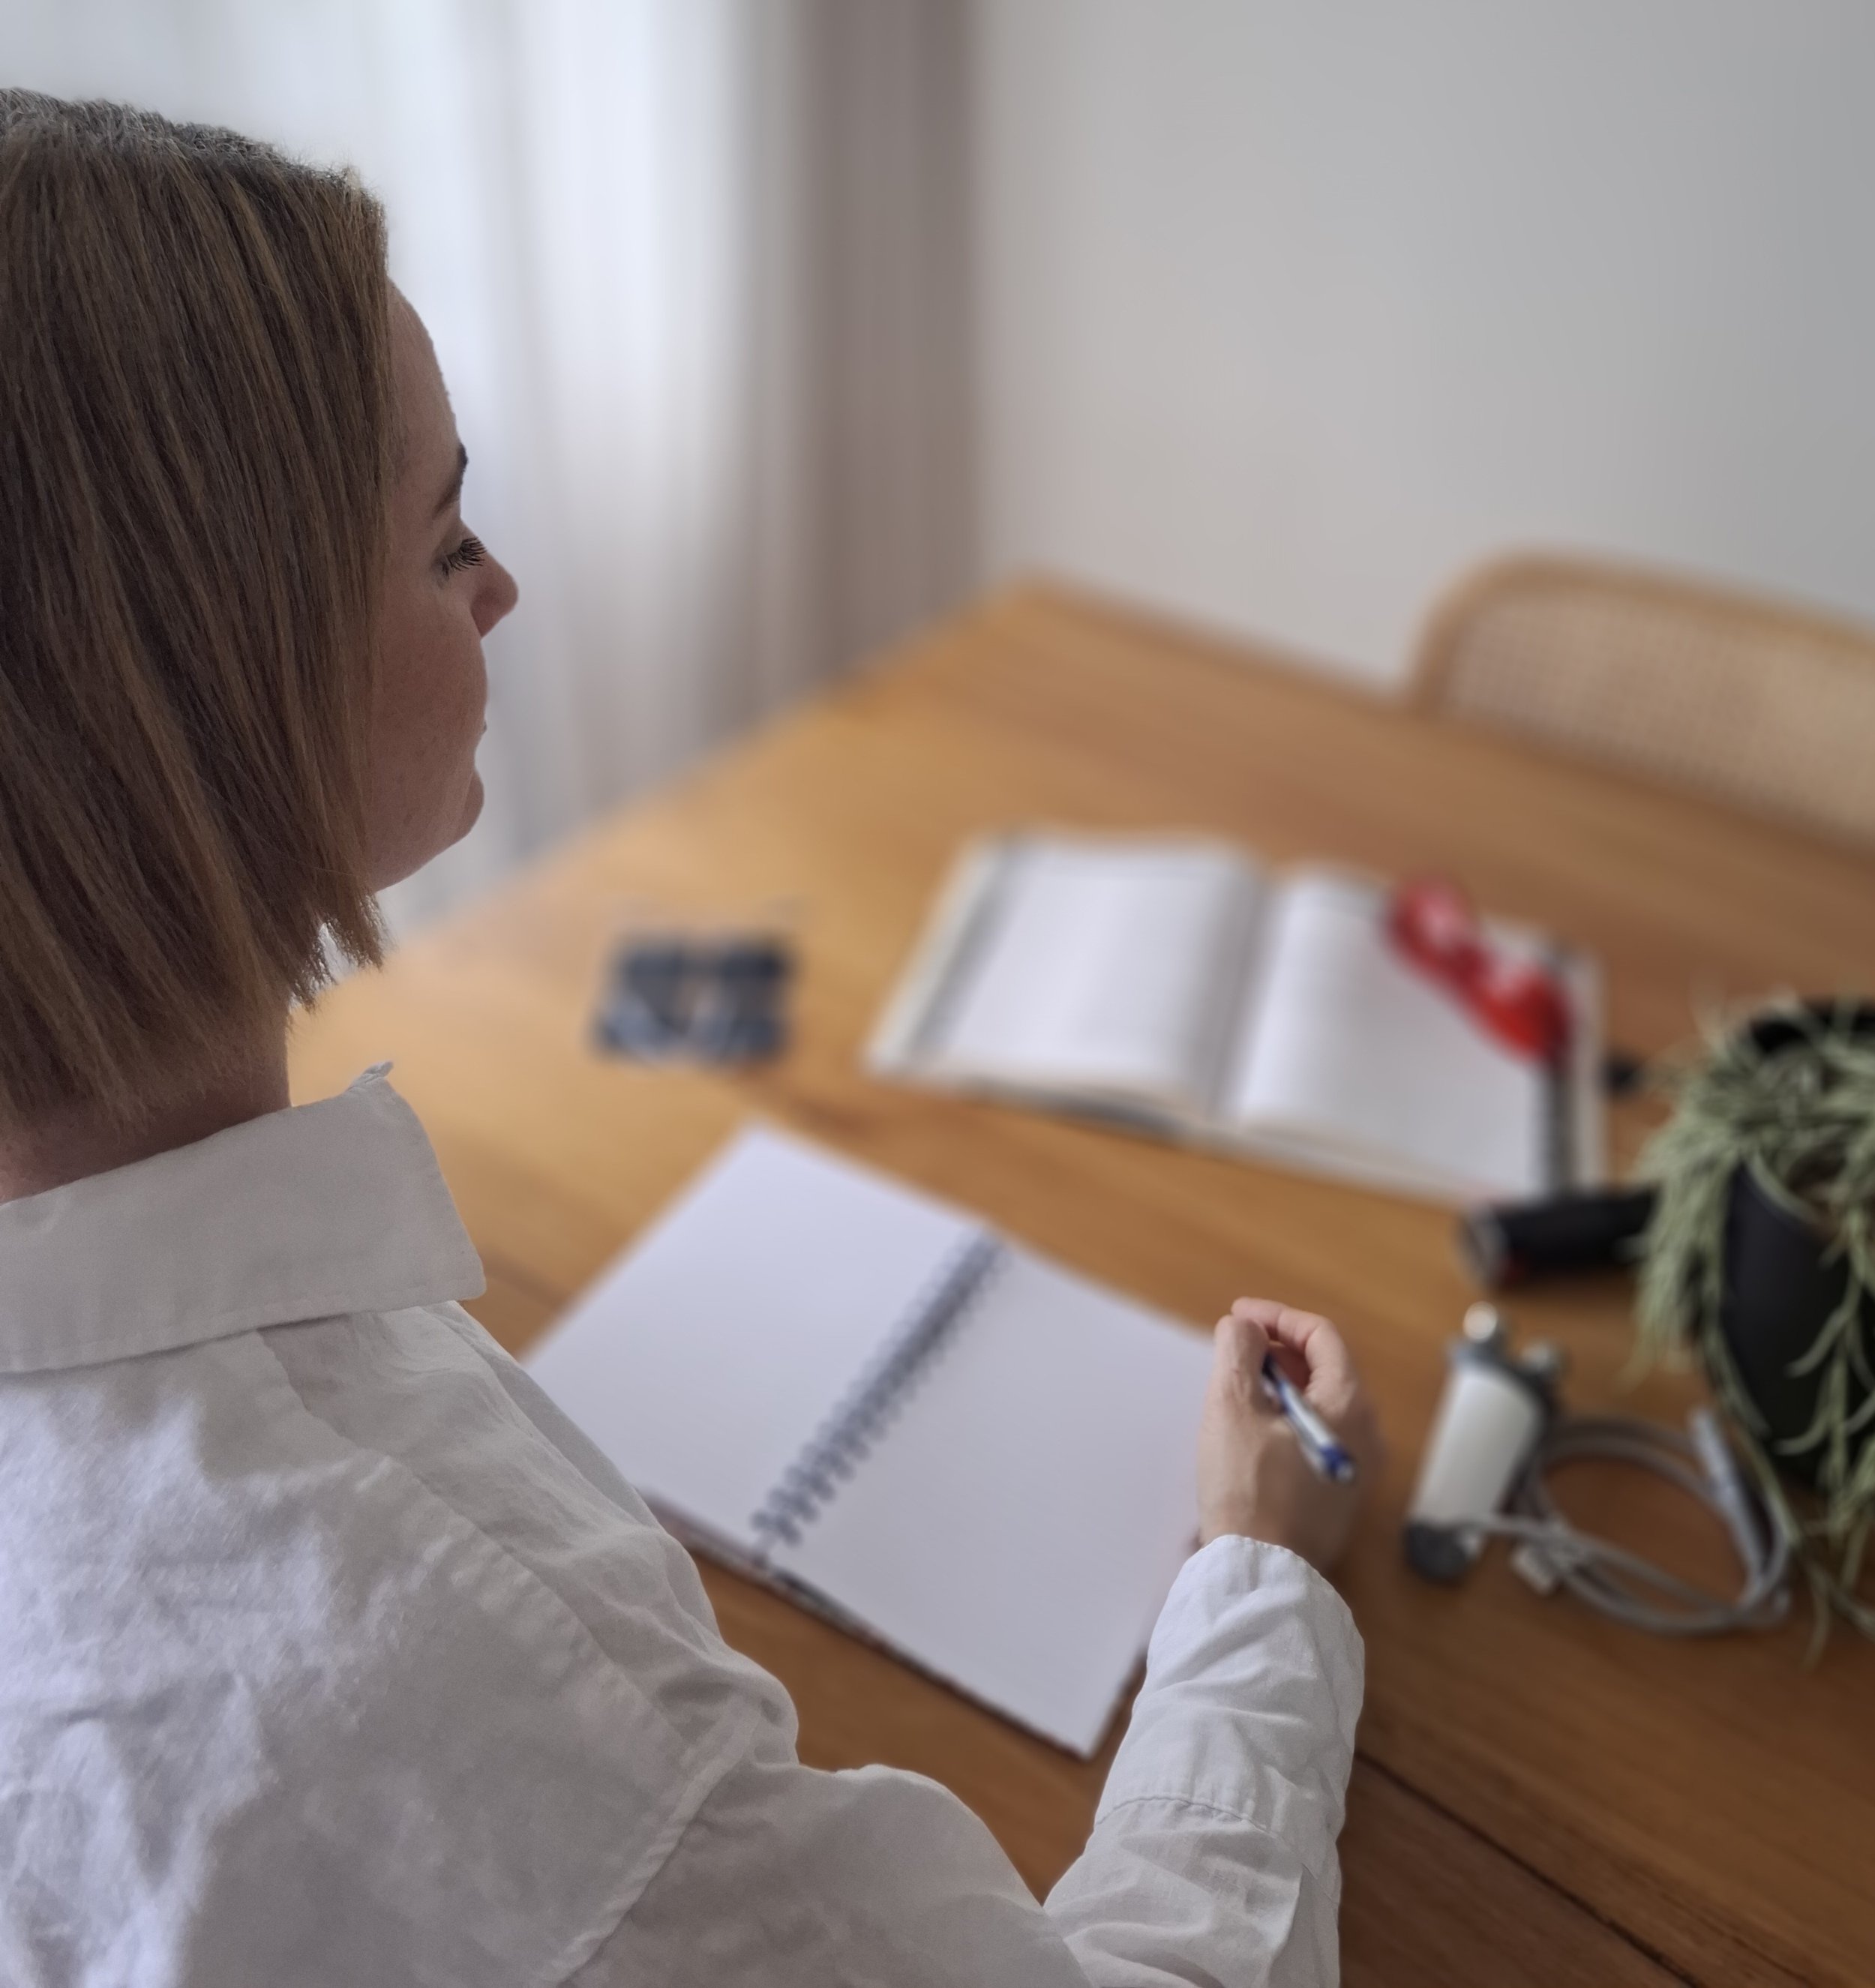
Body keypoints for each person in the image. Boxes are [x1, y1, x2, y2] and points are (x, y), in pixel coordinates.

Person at [0, 91, 1382, 1987]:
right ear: (213, 685)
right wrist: (1258, 1587)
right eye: (443, 535)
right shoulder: (515, 1725)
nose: (500, 589)